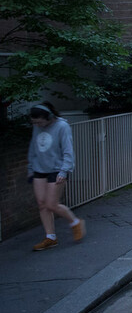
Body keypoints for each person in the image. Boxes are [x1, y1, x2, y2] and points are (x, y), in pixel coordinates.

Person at [27, 102, 86, 251]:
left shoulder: (62, 126)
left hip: (57, 169)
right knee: (41, 203)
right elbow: (33, 148)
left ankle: (75, 222)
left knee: (51, 204)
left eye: (40, 122)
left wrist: (64, 171)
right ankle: (50, 238)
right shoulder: (36, 126)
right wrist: (30, 168)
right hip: (39, 168)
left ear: (49, 117)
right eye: (35, 123)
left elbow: (68, 150)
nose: (38, 125)